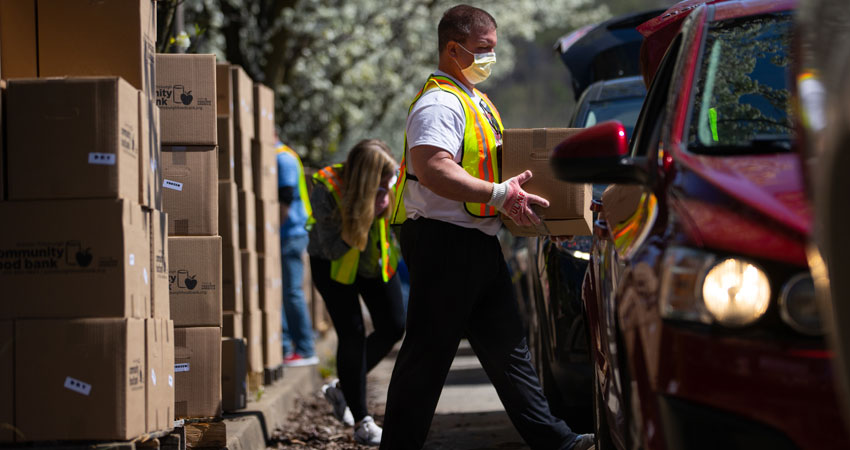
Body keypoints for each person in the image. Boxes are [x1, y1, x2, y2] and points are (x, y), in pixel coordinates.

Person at [380, 5, 594, 450]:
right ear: (452, 49)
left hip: (474, 243)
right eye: (482, 50)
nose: (489, 59)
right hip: (443, 244)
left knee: (509, 350)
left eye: (493, 49)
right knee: (425, 358)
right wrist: (499, 196)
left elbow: (493, 172)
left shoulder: (474, 100)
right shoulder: (439, 103)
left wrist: (518, 208)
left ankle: (558, 442)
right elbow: (434, 169)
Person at [307, 139, 406, 446]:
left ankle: (342, 388)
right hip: (333, 264)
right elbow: (334, 248)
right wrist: (366, 212)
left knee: (394, 326)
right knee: (351, 333)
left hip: (372, 258)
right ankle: (362, 421)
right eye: (383, 181)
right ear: (365, 180)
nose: (389, 185)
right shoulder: (325, 186)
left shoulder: (388, 182)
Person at [277, 142, 319, 367]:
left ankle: (305, 348)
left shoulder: (283, 158)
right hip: (291, 232)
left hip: (290, 232)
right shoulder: (285, 155)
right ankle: (293, 346)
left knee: (292, 291)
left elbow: (286, 197)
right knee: (287, 291)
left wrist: (272, 230)